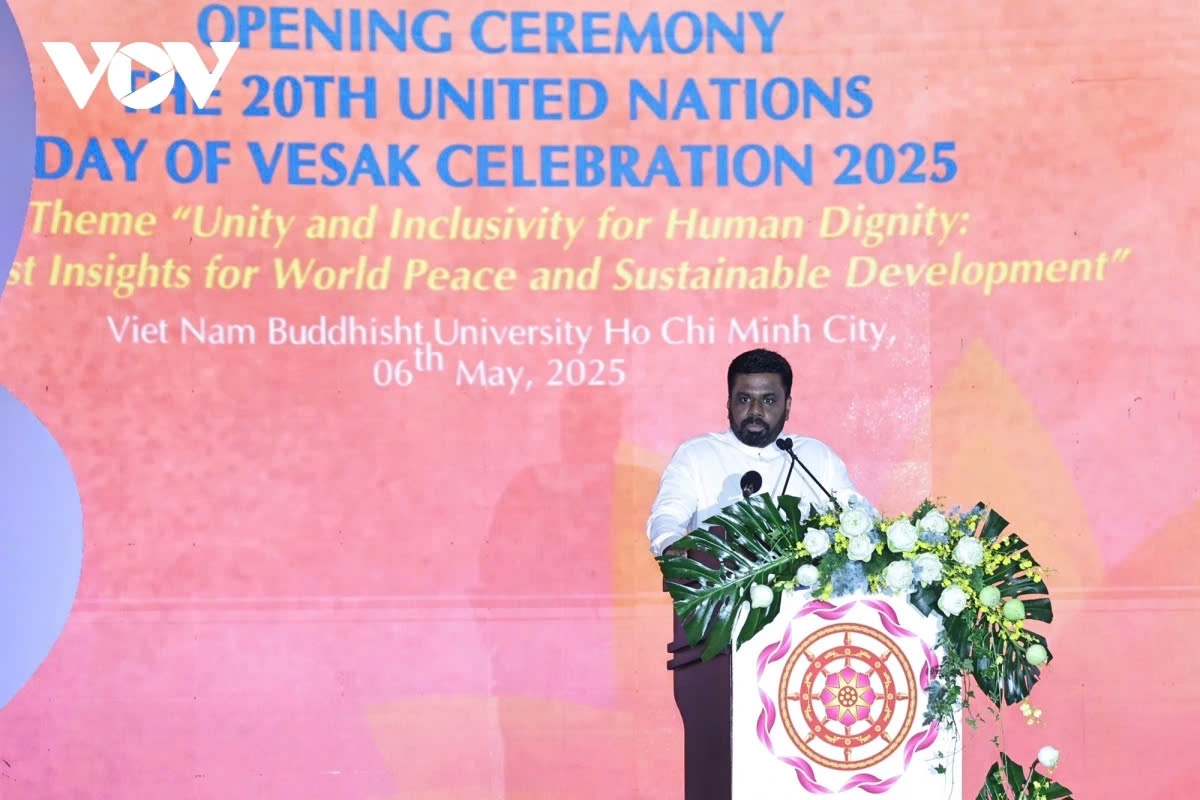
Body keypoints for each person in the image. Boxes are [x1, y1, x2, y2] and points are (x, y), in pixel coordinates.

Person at [646, 348, 863, 556]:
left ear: (787, 406)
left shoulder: (816, 457)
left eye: (768, 400)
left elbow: (859, 517)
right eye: (744, 399)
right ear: (729, 403)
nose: (755, 411)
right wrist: (671, 545)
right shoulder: (696, 454)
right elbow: (668, 515)